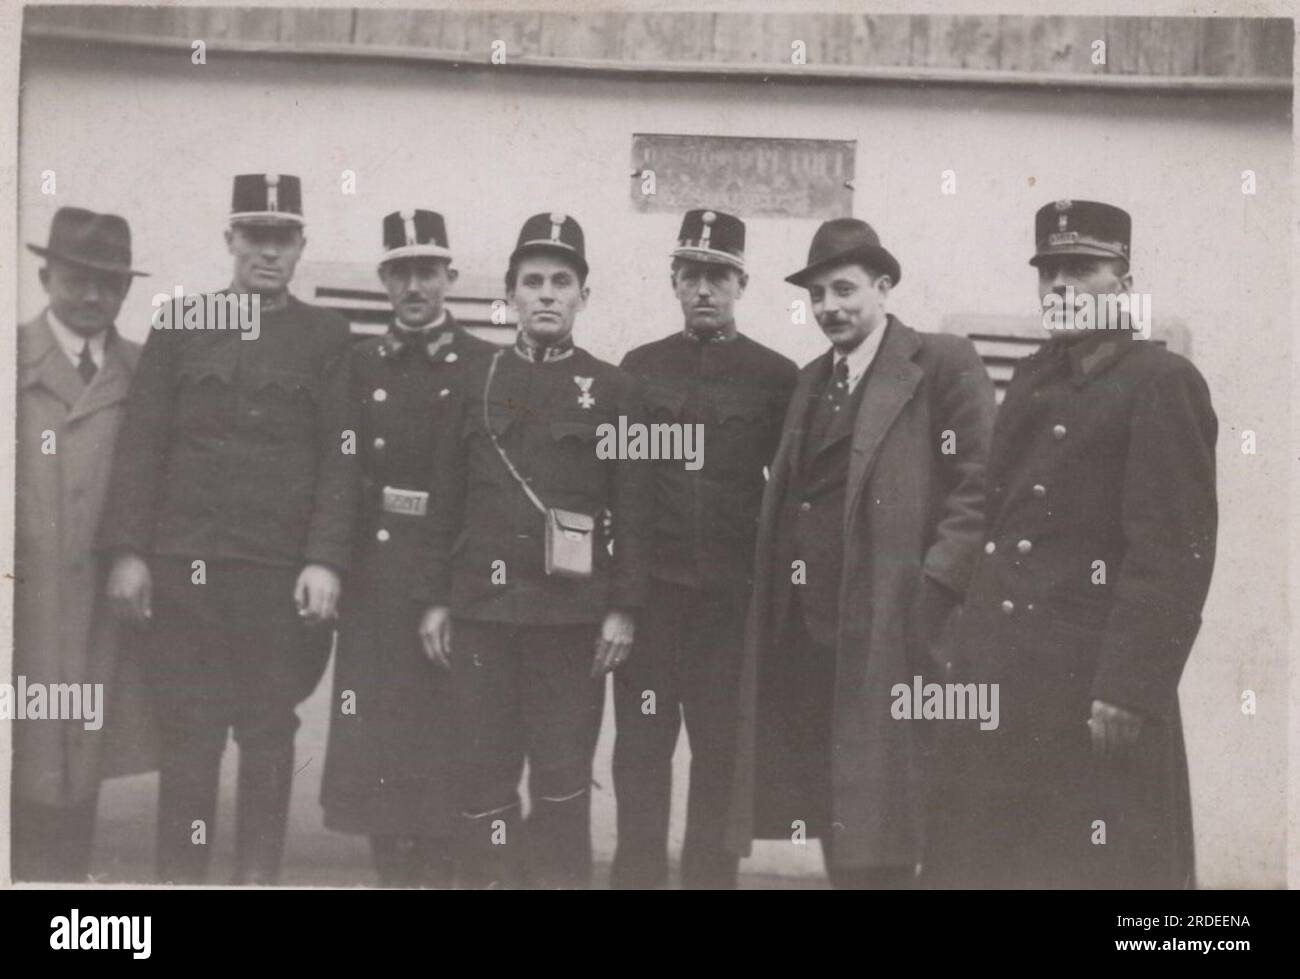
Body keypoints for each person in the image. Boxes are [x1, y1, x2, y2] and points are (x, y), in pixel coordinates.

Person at [923, 200, 1218, 889]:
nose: (1059, 286)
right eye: (1048, 271)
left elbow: (1171, 555)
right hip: (1003, 676)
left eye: (1080, 269)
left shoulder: (1161, 384)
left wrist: (1128, 688)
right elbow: (997, 526)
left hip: (1088, 690)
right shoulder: (1033, 378)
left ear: (1123, 279)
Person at [98, 174, 358, 885]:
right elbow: (142, 444)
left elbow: (343, 456)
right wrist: (127, 552)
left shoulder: (327, 336)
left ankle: (256, 883)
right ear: (230, 240)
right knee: (190, 738)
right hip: (185, 575)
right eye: (254, 235)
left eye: (283, 237)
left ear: (301, 245)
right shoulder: (181, 322)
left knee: (269, 735)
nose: (268, 251)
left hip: (278, 579)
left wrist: (326, 560)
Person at [725, 217, 995, 888]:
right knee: (830, 799)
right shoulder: (813, 379)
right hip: (808, 636)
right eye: (817, 296)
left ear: (883, 285)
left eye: (843, 290)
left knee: (891, 808)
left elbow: (981, 485)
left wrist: (934, 587)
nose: (829, 309)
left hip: (892, 628)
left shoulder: (941, 363)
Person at [419, 212, 652, 888]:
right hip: (483, 615)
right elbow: (445, 499)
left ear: (584, 294)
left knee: (561, 781)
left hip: (570, 623)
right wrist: (434, 599)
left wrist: (623, 609)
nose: (547, 293)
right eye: (533, 281)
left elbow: (633, 509)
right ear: (511, 295)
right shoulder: (473, 382)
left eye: (561, 280)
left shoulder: (618, 392)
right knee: (483, 777)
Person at [613, 208, 796, 889]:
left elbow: (789, 499)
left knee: (718, 758)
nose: (704, 290)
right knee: (640, 754)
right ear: (673, 280)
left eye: (719, 276)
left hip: (729, 608)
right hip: (654, 601)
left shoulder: (776, 377)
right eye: (692, 274)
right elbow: (624, 488)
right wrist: (623, 599)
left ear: (742, 283)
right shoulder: (639, 369)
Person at [321, 209, 495, 887]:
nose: (415, 286)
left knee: (447, 743)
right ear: (385, 281)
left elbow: (482, 486)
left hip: (449, 578)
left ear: (449, 277)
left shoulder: (483, 363)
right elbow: (338, 466)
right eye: (402, 272)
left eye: (428, 271)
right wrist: (330, 562)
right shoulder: (359, 363)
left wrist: (452, 590)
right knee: (379, 746)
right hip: (376, 580)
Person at [13, 207, 157, 881]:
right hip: (26, 603)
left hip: (103, 602)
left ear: (126, 291)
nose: (94, 295)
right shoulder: (12, 361)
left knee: (80, 754)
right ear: (46, 275)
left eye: (110, 283)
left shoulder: (142, 371)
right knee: (24, 749)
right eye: (78, 278)